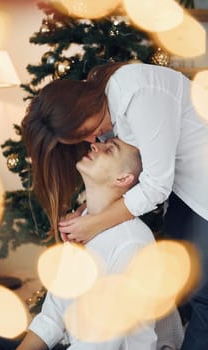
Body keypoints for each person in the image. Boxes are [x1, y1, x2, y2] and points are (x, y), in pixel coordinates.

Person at [22, 61, 208, 350]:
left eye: (94, 135)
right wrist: (88, 213)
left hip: (200, 190)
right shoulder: (105, 109)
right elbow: (54, 312)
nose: (94, 141)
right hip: (185, 194)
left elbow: (155, 184)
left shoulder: (137, 91)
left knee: (204, 303)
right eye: (84, 139)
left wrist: (94, 223)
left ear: (83, 106)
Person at [16, 138, 157, 350]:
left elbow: (100, 343)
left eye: (109, 150)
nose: (94, 145)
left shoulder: (132, 244)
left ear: (123, 178)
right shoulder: (81, 226)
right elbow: (53, 315)